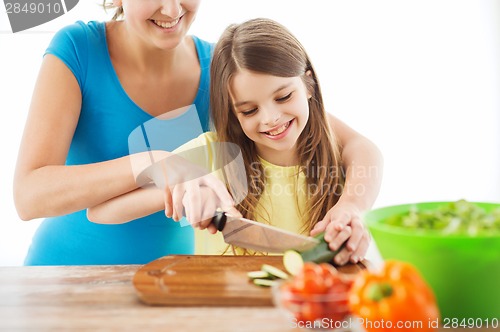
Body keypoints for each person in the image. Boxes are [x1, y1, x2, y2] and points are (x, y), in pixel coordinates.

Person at [87, 17, 384, 265]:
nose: (270, 118)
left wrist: (352, 207)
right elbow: (100, 211)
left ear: (309, 85)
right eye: (249, 110)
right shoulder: (211, 155)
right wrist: (183, 191)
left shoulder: (333, 150)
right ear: (232, 112)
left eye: (283, 97)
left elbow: (367, 150)